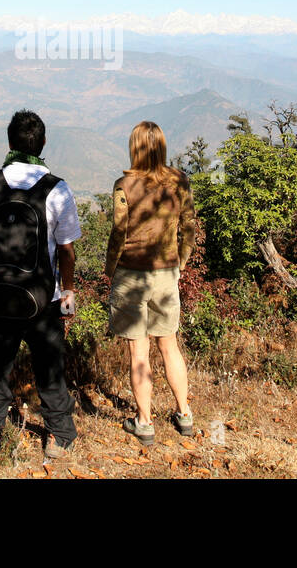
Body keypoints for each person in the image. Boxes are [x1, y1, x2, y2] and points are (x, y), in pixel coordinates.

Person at [0, 109, 81, 459]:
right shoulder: (56, 189)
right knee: (49, 365)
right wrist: (68, 291)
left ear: (9, 142)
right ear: (43, 143)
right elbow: (66, 250)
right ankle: (59, 436)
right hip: (42, 298)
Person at [105, 120, 197, 446]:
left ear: (134, 148)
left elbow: (118, 232)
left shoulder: (123, 186)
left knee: (138, 353)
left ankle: (144, 422)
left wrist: (109, 267)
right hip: (167, 275)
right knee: (169, 345)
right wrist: (180, 262)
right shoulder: (179, 182)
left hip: (131, 274)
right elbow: (190, 227)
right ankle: (184, 413)